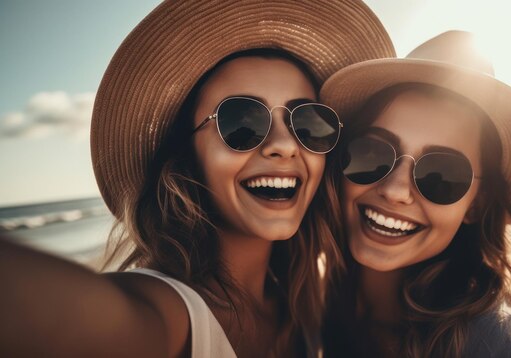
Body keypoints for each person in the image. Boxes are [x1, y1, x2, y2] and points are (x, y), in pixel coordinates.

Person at [0, 1, 395, 357]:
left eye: (308, 122)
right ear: (188, 154)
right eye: (241, 122)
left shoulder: (307, 303)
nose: (284, 145)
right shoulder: (165, 312)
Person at [320, 31, 511, 357]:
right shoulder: (304, 300)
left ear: (476, 205)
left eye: (441, 175)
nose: (396, 190)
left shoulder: (487, 341)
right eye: (372, 153)